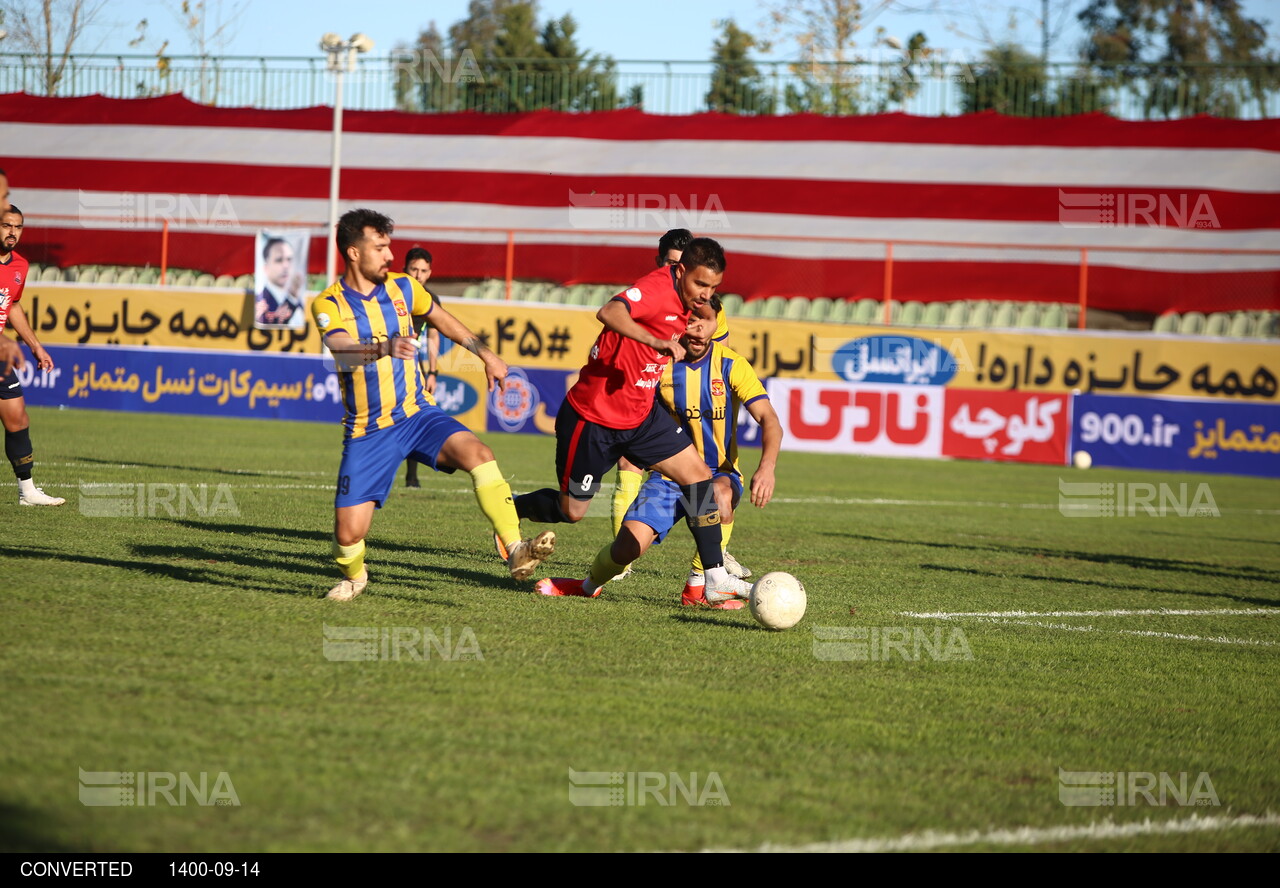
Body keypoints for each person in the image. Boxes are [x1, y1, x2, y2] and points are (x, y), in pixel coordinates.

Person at [311, 208, 554, 601]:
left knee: (479, 453)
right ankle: (355, 577)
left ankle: (515, 550)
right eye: (380, 247)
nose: (389, 255)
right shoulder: (329, 303)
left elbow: (442, 318)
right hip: (369, 430)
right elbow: (342, 351)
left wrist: (486, 355)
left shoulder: (404, 287)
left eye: (389, 247)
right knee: (347, 536)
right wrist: (384, 347)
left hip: (417, 412)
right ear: (354, 253)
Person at [512, 237, 751, 603]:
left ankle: (715, 577)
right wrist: (654, 340)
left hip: (641, 416)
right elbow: (609, 312)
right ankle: (512, 509)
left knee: (700, 477)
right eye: (701, 284)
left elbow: (707, 331)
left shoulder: (692, 303)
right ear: (681, 270)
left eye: (714, 288)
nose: (705, 294)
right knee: (572, 510)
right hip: (594, 417)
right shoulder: (656, 288)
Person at [609, 228, 748, 580]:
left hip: (691, 405)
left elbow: (720, 355)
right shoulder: (650, 296)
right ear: (664, 265)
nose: (679, 273)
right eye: (672, 264)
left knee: (712, 483)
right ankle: (621, 559)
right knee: (628, 463)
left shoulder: (707, 307)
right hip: (646, 386)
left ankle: (709, 569)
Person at [625, 297, 782, 607]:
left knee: (719, 495)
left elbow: (769, 420)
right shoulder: (661, 364)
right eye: (692, 320)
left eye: (706, 321)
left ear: (716, 325)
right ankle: (592, 582)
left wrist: (767, 467)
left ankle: (700, 587)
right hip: (670, 473)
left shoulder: (732, 364)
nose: (698, 328)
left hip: (718, 472)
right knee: (626, 549)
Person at [0, 204, 65, 506]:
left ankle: (27, 492)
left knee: (18, 419)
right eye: (6, 225)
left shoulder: (20, 266)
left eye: (18, 227)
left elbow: (12, 305)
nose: (12, 232)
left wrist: (35, 346)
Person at [402, 246, 441, 488]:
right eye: (413, 269)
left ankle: (411, 476)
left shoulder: (430, 300)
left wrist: (433, 372)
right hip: (382, 360)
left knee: (414, 417)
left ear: (429, 273)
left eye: (423, 271)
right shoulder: (390, 293)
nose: (418, 275)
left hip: (412, 365)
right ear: (404, 269)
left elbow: (433, 337)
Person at [255, 236, 305, 328]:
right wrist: (292, 298)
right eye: (279, 260)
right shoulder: (260, 303)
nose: (286, 265)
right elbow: (272, 326)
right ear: (266, 268)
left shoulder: (300, 301)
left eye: (289, 259)